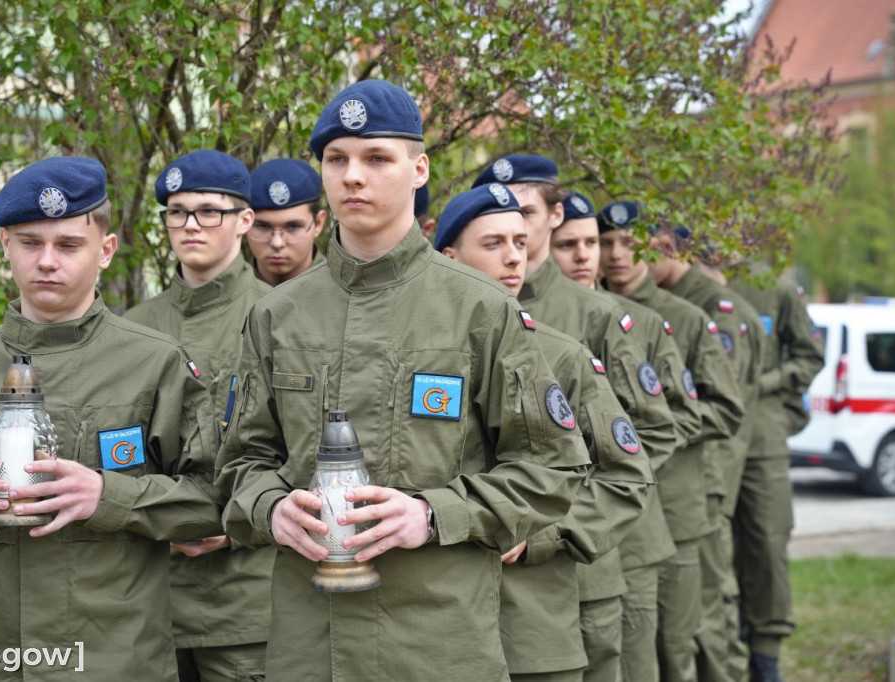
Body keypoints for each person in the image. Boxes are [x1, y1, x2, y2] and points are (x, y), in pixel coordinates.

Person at [214, 79, 593, 681]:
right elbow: (238, 463)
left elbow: (552, 468)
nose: (353, 176)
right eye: (336, 160)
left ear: (418, 169)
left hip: (437, 644)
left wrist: (434, 514)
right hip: (311, 646)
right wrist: (270, 507)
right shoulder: (276, 314)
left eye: (376, 159)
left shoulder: (480, 309)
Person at [0, 156, 221, 680]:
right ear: (5, 246)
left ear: (105, 251)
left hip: (117, 659)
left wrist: (106, 495)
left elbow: (216, 501)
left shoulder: (155, 363)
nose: (48, 261)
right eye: (30, 242)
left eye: (68, 245)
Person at [435, 183, 654, 682]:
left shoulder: (561, 355)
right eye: (493, 244)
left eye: (519, 241)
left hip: (530, 628)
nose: (514, 256)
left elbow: (626, 477)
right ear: (449, 256)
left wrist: (544, 534)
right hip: (434, 629)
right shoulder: (414, 356)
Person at [124, 150, 272, 682]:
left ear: (245, 222)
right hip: (145, 598)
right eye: (177, 211)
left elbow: (309, 449)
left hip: (243, 599)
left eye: (209, 211)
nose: (190, 224)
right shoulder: (134, 327)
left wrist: (239, 525)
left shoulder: (282, 316)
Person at [554, 190, 703, 682]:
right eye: (568, 244)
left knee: (640, 659)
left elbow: (667, 427)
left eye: (592, 243)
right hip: (560, 534)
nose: (589, 255)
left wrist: (606, 477)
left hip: (630, 527)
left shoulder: (627, 320)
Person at [598, 200, 744, 682]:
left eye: (628, 242)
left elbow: (726, 407)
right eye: (606, 243)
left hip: (679, 501)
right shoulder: (592, 311)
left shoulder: (683, 319)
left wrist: (649, 435)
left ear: (651, 246)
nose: (616, 254)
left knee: (688, 635)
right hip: (615, 509)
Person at [645, 225, 764, 682]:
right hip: (686, 476)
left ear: (673, 249)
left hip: (705, 477)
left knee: (710, 603)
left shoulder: (709, 306)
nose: (625, 257)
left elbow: (725, 402)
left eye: (644, 248)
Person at [728, 270, 824, 682]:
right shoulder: (680, 275)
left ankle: (766, 654)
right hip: (709, 435)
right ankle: (721, 648)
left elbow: (808, 355)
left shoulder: (772, 286)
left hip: (761, 434)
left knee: (767, 542)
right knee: (709, 546)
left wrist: (769, 390)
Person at [247, 158, 327, 286]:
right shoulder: (221, 296)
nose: (277, 243)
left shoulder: (349, 295)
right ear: (245, 223)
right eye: (263, 227)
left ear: (318, 223)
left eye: (293, 227)